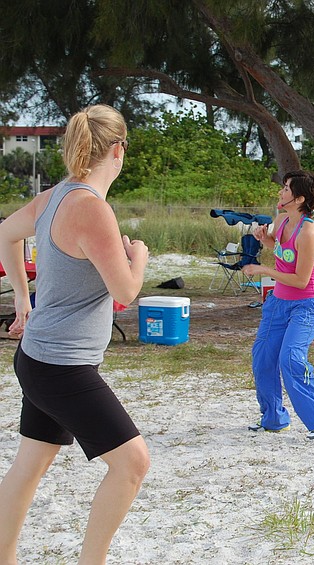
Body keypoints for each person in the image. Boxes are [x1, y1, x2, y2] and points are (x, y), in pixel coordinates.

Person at [0, 104, 150, 564]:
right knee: (132, 464)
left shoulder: (55, 196)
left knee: (30, 465)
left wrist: (24, 302)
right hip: (62, 368)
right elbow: (125, 289)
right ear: (119, 150)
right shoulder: (92, 209)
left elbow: (6, 234)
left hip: (39, 358)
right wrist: (138, 255)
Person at [242, 170, 314, 441]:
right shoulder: (282, 221)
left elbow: (299, 279)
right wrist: (267, 240)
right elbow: (282, 254)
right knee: (263, 358)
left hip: (306, 306)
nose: (280, 193)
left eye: (285, 189)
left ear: (299, 199)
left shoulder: (308, 231)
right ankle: (273, 418)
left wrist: (263, 270)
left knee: (291, 359)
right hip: (278, 304)